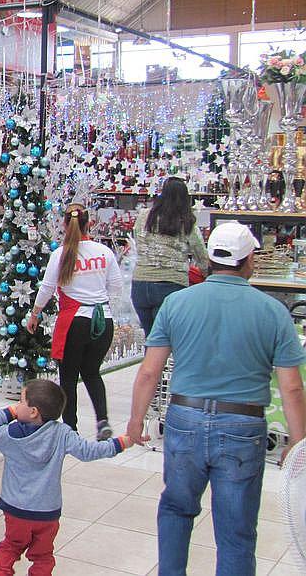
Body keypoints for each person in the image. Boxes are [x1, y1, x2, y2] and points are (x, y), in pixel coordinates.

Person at [125, 221, 306, 576]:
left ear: (210, 258)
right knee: (237, 531)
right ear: (248, 259)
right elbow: (292, 388)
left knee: (176, 509)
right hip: (243, 426)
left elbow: (149, 371)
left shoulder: (177, 303)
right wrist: (298, 443)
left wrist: (135, 422)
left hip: (185, 419)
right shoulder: (272, 312)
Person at [0, 379, 133, 576]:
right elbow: (88, 451)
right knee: (43, 556)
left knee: (10, 547)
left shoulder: (10, 435)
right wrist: (121, 443)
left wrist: (9, 412)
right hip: (47, 513)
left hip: (16, 510)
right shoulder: (62, 433)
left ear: (34, 411)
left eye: (21, 401)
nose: (17, 405)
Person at [27, 204, 123, 439]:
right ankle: (102, 421)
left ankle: (70, 428)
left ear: (63, 225)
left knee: (68, 378)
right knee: (92, 373)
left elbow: (47, 288)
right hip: (103, 322)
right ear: (89, 224)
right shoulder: (105, 252)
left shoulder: (60, 254)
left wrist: (35, 313)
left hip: (74, 323)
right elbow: (117, 288)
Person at [131, 177, 208, 334]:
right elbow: (202, 257)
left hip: (140, 284)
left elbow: (138, 243)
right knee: (166, 340)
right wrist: (210, 277)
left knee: (150, 339)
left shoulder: (144, 216)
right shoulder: (186, 222)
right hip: (171, 284)